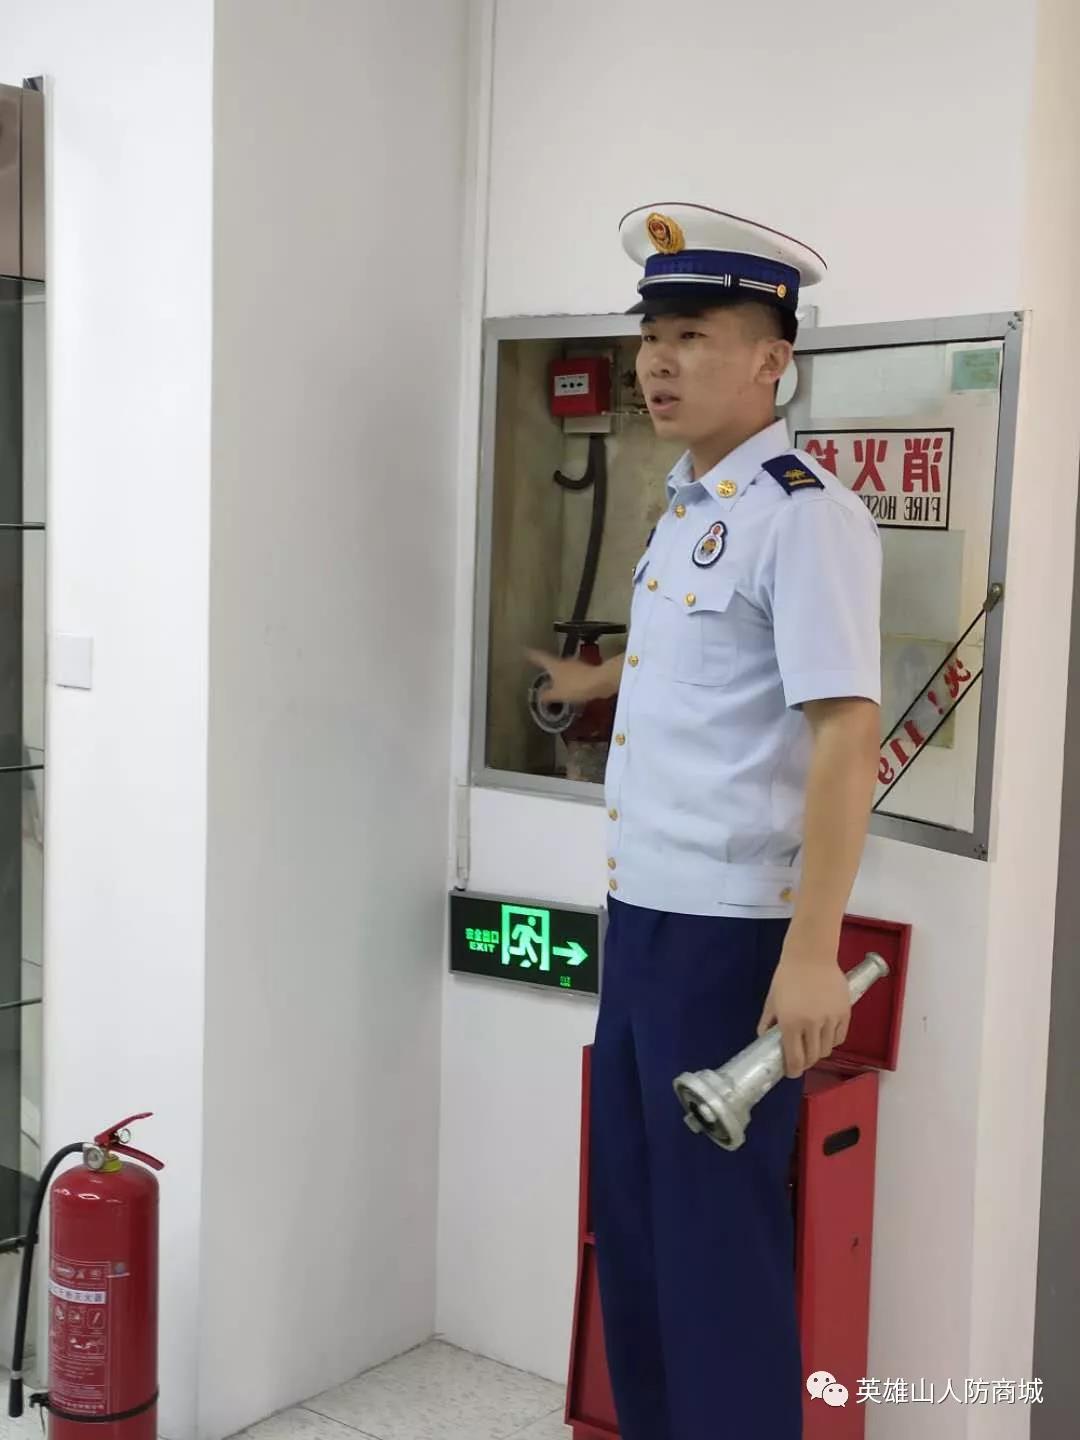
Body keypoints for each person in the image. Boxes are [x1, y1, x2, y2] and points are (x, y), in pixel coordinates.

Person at [530, 204, 882, 1439]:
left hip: (731, 941)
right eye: (652, 337)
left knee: (714, 1254)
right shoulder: (688, 504)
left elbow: (844, 736)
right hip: (644, 915)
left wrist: (811, 950)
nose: (659, 362)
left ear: (772, 358)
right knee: (634, 1232)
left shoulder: (804, 514)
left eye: (693, 335)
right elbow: (710, 672)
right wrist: (596, 678)